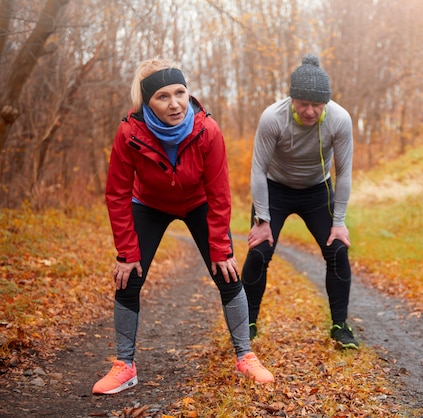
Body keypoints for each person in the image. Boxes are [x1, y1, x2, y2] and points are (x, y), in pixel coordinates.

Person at [93, 58, 273, 395]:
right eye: (162, 96)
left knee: (228, 271)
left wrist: (221, 247)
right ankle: (124, 365)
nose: (175, 103)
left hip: (198, 202)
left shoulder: (207, 130)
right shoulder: (129, 134)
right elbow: (116, 193)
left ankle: (245, 356)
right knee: (127, 276)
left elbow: (220, 193)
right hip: (149, 203)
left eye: (180, 92)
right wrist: (127, 252)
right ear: (147, 102)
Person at [242, 54, 359, 349]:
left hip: (317, 191)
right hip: (274, 189)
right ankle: (248, 323)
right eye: (303, 103)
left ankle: (340, 326)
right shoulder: (272, 118)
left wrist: (340, 221)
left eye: (316, 105)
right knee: (259, 252)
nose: (309, 111)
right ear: (292, 99)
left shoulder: (339, 119)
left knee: (338, 250)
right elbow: (257, 169)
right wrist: (262, 221)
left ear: (326, 102)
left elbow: (344, 173)